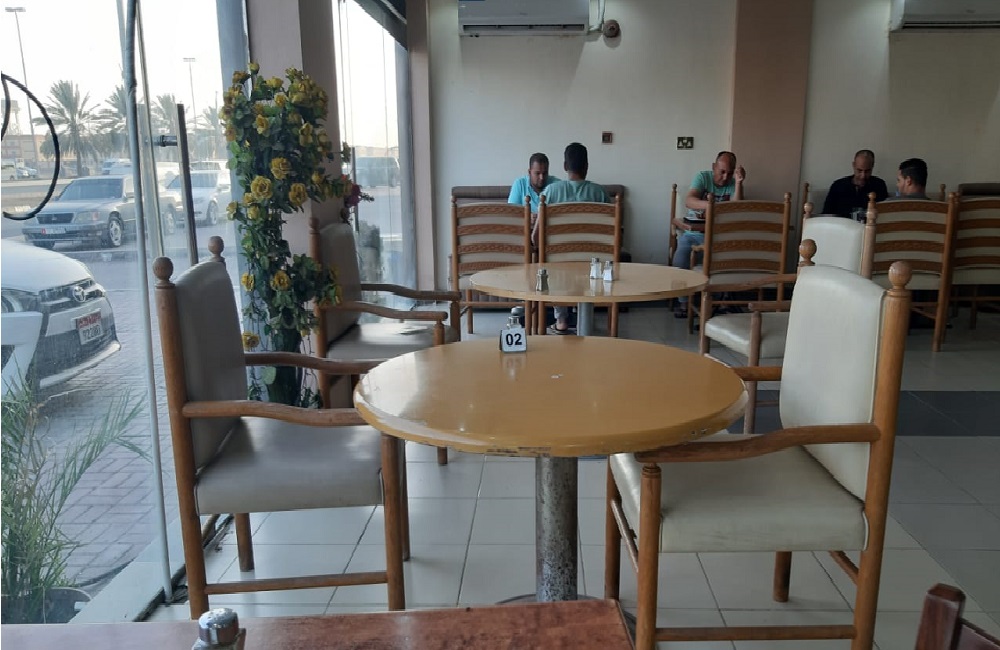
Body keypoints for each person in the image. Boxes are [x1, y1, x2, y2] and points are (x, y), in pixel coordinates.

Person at [541, 142, 611, 333]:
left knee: (553, 264)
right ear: (586, 167)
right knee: (586, 264)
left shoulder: (551, 192)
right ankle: (585, 318)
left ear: (565, 166)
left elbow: (537, 235)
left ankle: (561, 320)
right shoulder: (600, 193)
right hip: (593, 262)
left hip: (559, 260)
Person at [672, 151, 746, 318]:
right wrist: (712, 206)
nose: (725, 177)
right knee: (680, 259)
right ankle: (683, 303)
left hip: (721, 237)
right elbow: (689, 201)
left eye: (729, 173)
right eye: (722, 172)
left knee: (735, 257)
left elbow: (737, 209)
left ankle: (723, 301)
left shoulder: (733, 182)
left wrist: (739, 183)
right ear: (714, 167)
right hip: (694, 234)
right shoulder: (702, 177)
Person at [821, 149, 889, 217]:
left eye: (867, 171)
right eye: (859, 170)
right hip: (842, 223)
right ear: (854, 165)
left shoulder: (879, 185)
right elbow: (826, 214)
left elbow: (885, 214)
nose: (863, 176)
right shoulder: (838, 186)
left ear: (872, 166)